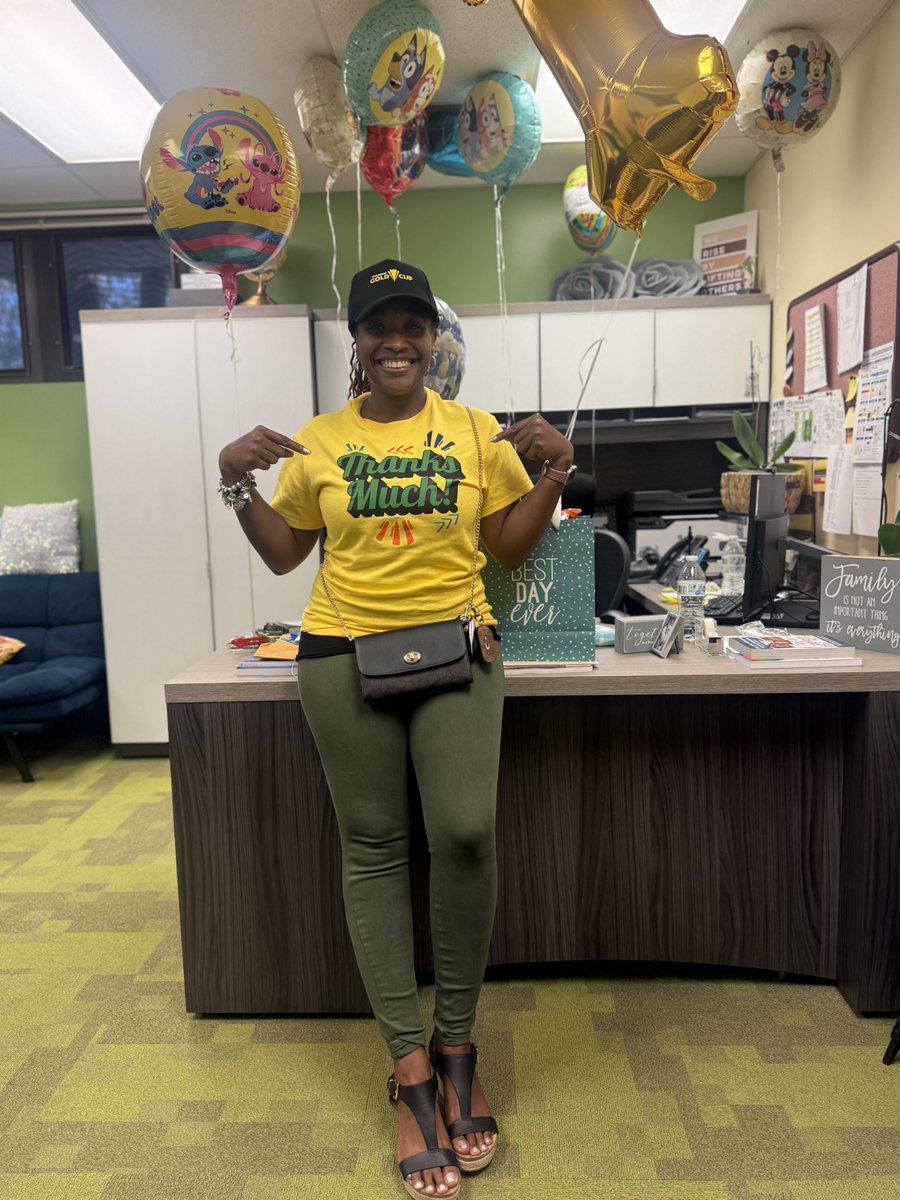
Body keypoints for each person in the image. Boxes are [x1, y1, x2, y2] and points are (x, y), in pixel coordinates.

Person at [217, 259, 575, 1199]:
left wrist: (557, 471)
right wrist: (232, 483)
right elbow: (289, 555)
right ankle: (411, 1071)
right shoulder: (320, 442)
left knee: (463, 832)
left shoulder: (473, 431)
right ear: (358, 341)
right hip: (340, 654)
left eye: (413, 325)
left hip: (457, 647)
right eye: (380, 326)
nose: (397, 342)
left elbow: (505, 544)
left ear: (434, 339)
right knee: (373, 846)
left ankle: (459, 1046)